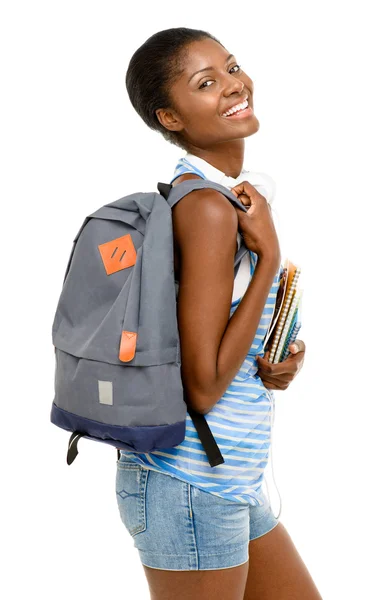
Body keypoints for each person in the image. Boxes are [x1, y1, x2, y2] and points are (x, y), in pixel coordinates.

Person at [116, 27, 321, 600]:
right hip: (189, 484)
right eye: (206, 83)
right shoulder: (207, 207)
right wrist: (270, 255)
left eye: (231, 68)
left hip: (228, 479)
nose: (234, 85)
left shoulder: (226, 195)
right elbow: (202, 386)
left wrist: (276, 359)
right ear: (170, 117)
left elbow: (215, 340)